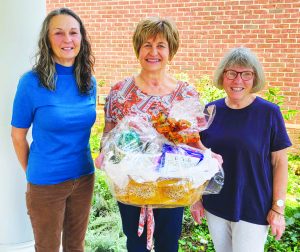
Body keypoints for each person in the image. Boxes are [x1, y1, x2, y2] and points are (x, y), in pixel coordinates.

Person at [95, 17, 221, 252]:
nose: (154, 52)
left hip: (171, 182)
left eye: (161, 45)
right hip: (131, 183)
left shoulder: (186, 93)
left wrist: (207, 154)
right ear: (138, 49)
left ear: (170, 50)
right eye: (147, 45)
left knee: (168, 244)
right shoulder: (119, 92)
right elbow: (109, 134)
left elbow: (193, 140)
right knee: (135, 243)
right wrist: (104, 153)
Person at [11, 8, 96, 252]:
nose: (67, 39)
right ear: (47, 39)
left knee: (75, 246)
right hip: (45, 182)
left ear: (81, 38)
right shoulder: (31, 82)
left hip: (83, 177)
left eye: (73, 32)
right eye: (58, 33)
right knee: (47, 247)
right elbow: (18, 136)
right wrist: (35, 172)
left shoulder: (88, 81)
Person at [190, 47, 292, 252]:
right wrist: (196, 198)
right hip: (215, 205)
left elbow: (279, 163)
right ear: (223, 76)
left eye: (246, 74)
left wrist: (278, 208)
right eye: (232, 73)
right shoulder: (210, 111)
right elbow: (199, 157)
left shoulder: (269, 113)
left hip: (254, 207)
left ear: (255, 78)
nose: (238, 81)